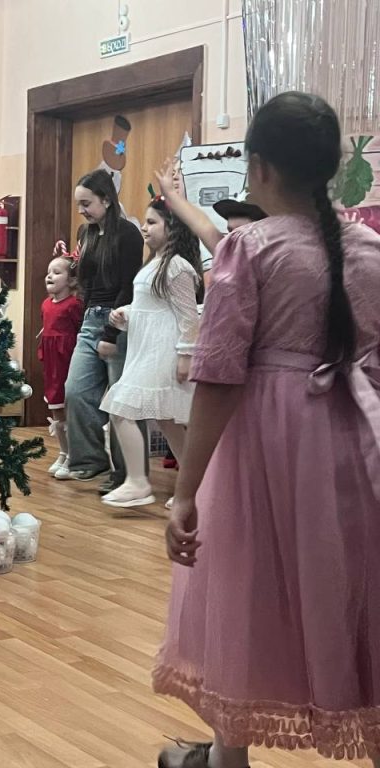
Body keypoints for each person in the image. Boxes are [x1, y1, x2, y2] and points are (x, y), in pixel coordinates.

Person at [154, 92, 380, 767]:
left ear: (259, 167)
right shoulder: (372, 249)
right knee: (357, 590)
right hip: (358, 442)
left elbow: (220, 376)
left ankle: (230, 758)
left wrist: (185, 491)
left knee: (246, 589)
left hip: (269, 446)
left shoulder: (248, 248)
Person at [100, 196, 202, 509]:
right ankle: (195, 487)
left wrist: (185, 355)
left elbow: (188, 317)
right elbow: (151, 308)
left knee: (120, 405)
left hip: (164, 352)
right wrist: (125, 315)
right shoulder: (153, 265)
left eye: (152, 222)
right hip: (145, 349)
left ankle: (138, 481)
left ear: (172, 227)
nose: (144, 228)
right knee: (168, 421)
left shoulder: (177, 267)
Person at [58, 169, 147, 495]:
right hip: (91, 318)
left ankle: (127, 474)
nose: (81, 210)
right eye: (79, 204)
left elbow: (128, 286)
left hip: (118, 320)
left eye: (87, 203)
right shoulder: (86, 232)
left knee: (121, 401)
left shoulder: (128, 233)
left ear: (106, 200)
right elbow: (87, 281)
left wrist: (111, 333)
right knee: (76, 390)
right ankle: (89, 460)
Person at [153, 157, 267, 287]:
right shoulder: (230, 255)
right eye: (230, 231)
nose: (231, 239)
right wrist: (170, 193)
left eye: (240, 232)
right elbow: (202, 224)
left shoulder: (277, 264)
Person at [38, 241, 84, 475]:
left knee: (70, 407)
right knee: (55, 407)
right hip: (51, 364)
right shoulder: (46, 305)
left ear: (72, 281)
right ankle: (63, 452)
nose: (50, 276)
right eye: (49, 272)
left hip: (68, 361)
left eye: (57, 272)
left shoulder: (74, 305)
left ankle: (75, 455)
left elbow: (80, 331)